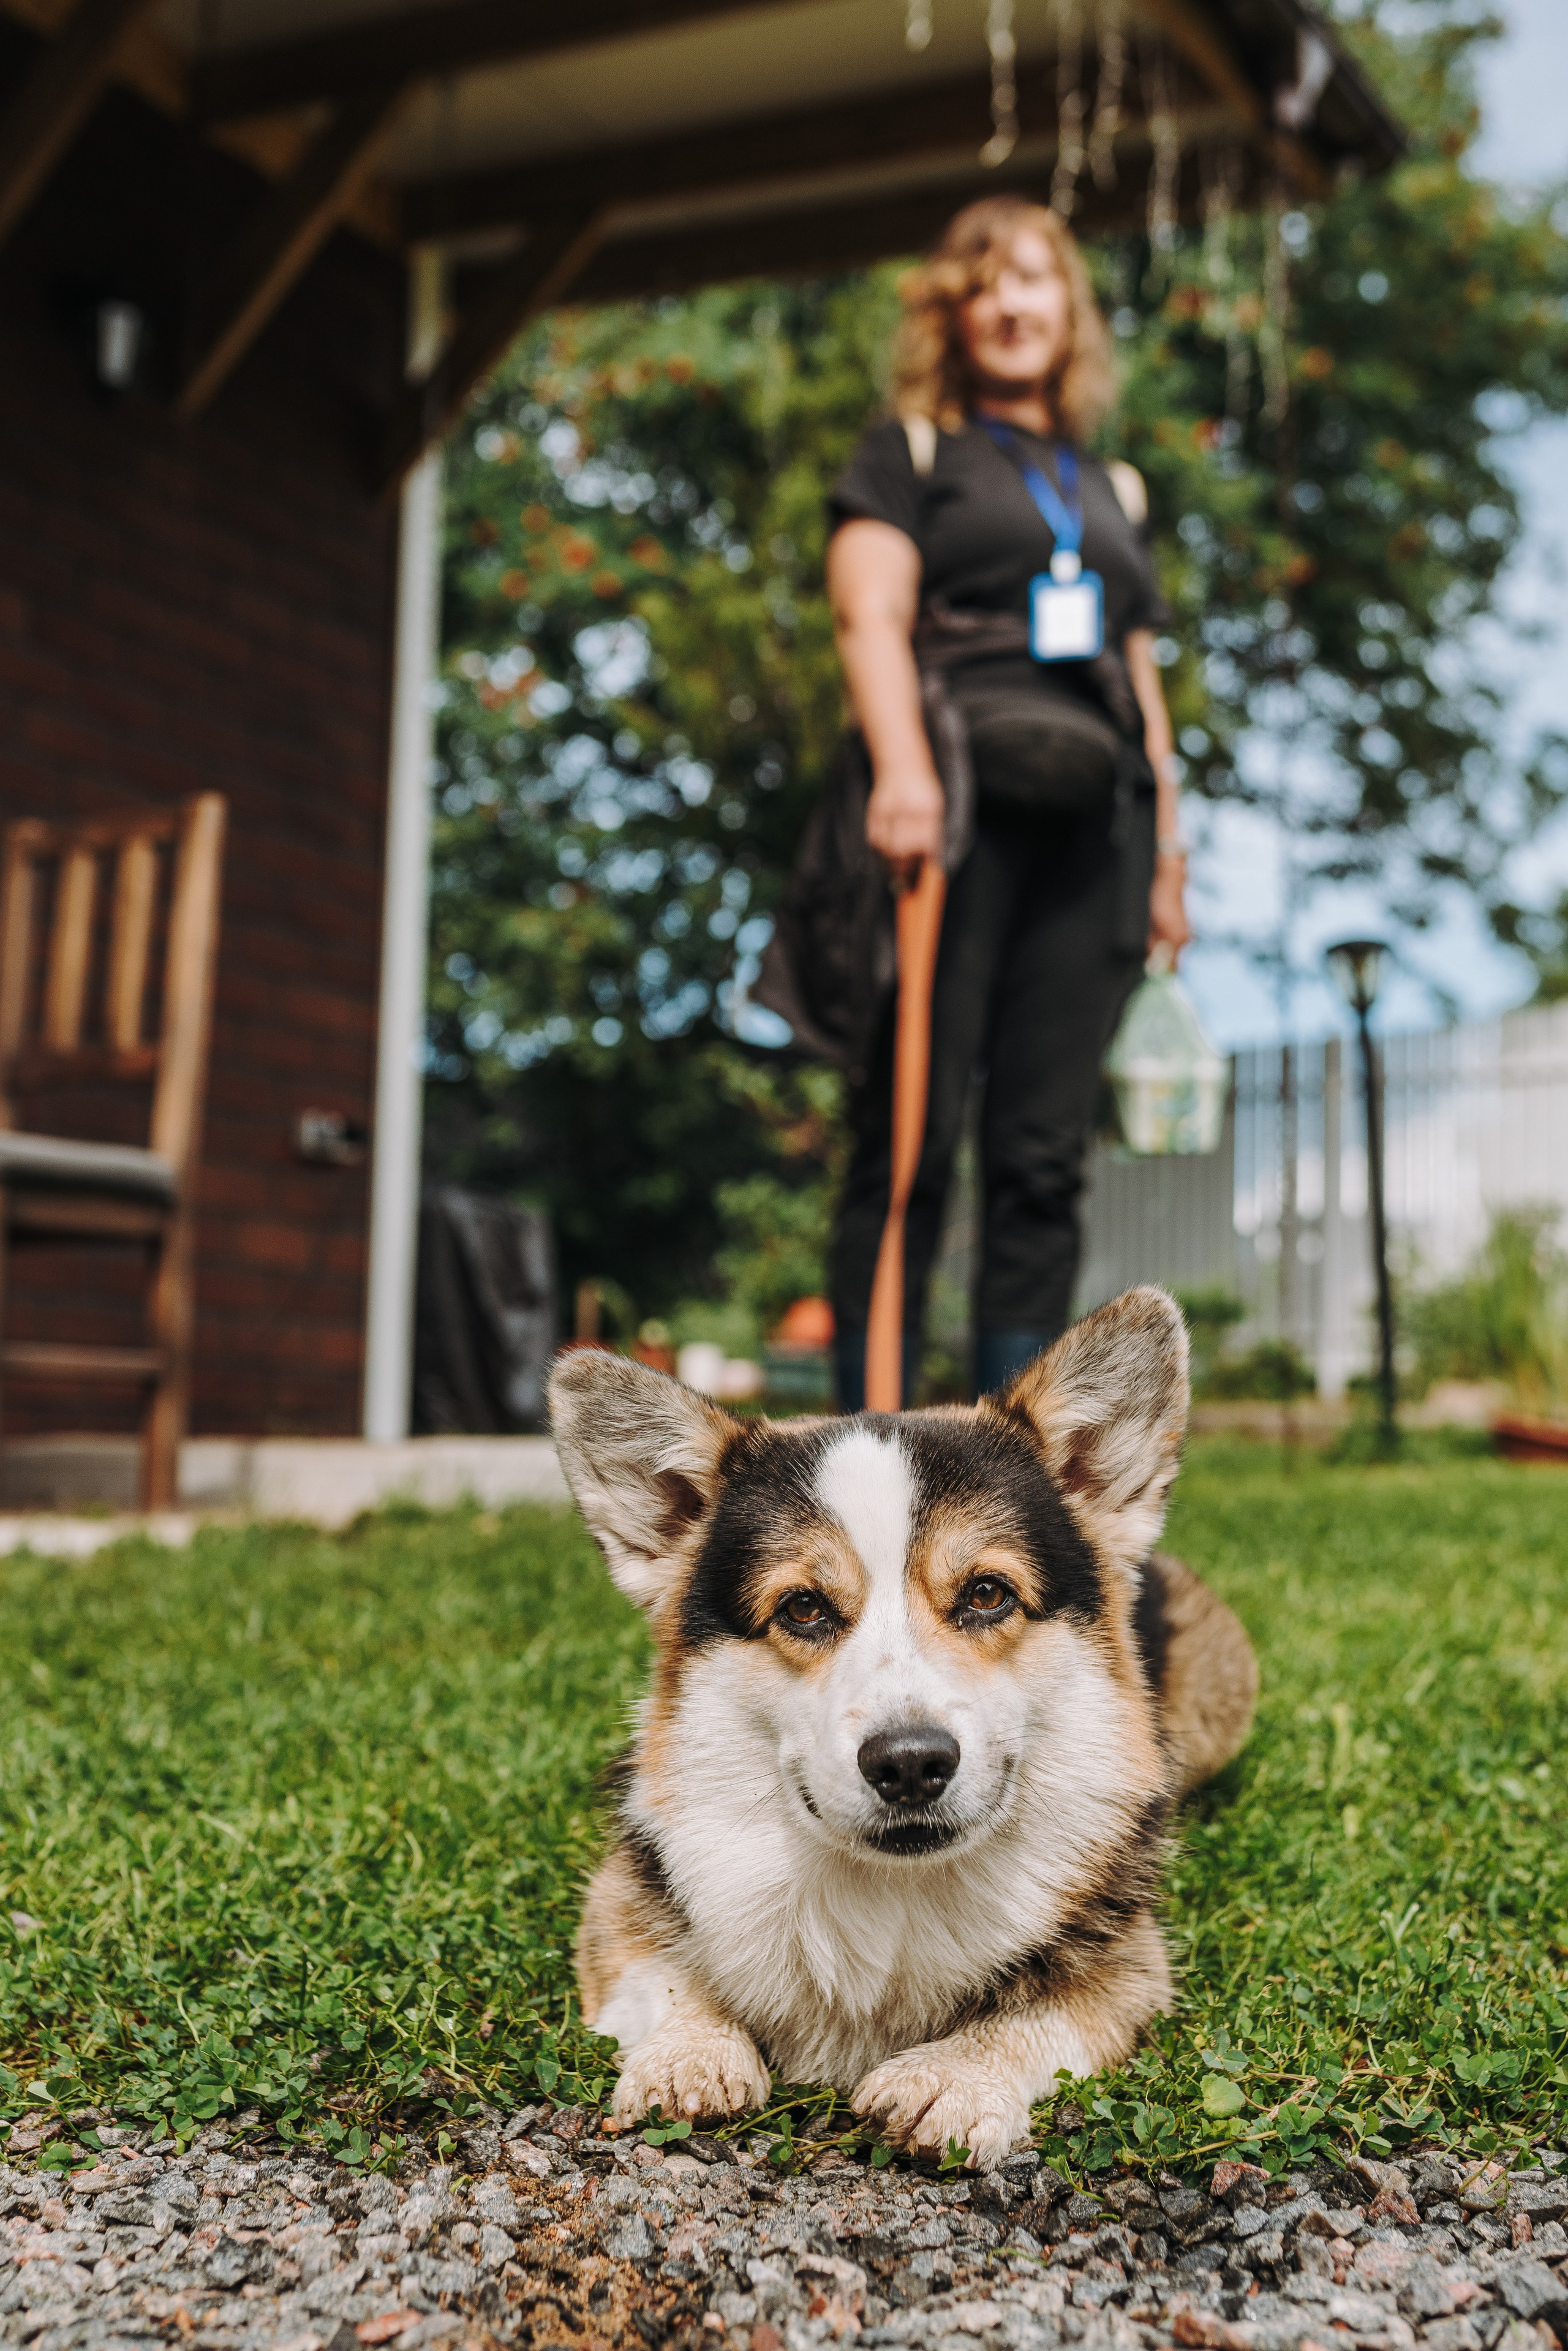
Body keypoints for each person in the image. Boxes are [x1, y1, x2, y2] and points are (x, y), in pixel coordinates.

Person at [824, 194, 1189, 1408]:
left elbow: (1137, 675)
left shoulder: (1115, 487)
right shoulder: (910, 453)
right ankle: (865, 1422)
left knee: (1039, 1154)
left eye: (1034, 279)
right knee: (912, 1131)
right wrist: (903, 771)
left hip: (1093, 835)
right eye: (985, 284)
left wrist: (1168, 855)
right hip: (955, 805)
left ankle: (1007, 1443)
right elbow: (867, 613)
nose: (1012, 302)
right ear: (953, 313)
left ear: (1068, 311)